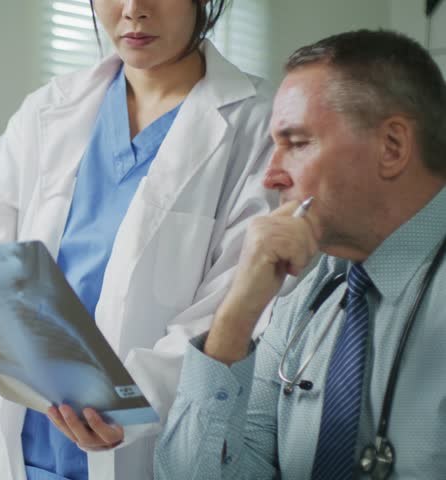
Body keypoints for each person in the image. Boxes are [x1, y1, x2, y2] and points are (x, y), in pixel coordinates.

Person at [0, 0, 277, 479]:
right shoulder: (50, 108)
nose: (133, 10)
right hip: (20, 448)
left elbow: (232, 306)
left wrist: (129, 405)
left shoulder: (257, 128)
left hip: (145, 449)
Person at [154, 29, 446, 479]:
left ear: (392, 147)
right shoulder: (307, 292)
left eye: (297, 142)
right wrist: (234, 320)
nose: (270, 176)